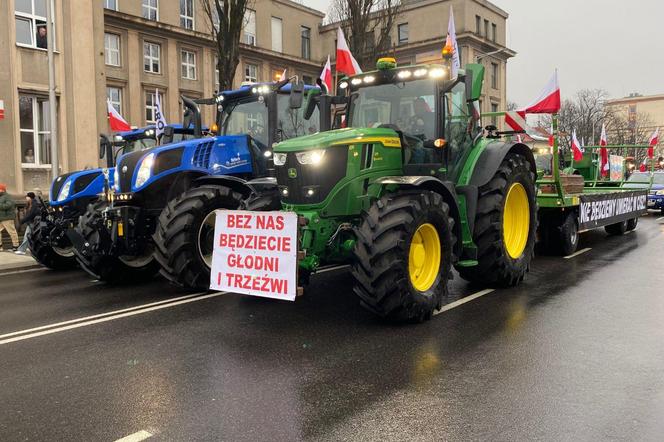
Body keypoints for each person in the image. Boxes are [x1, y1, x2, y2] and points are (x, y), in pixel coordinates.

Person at [0, 184, 19, 252]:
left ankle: (15, 246)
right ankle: (0, 246)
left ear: (2, 190)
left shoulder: (8, 196)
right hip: (1, 218)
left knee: (12, 232)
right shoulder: (1, 197)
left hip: (7, 217)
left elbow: (9, 205)